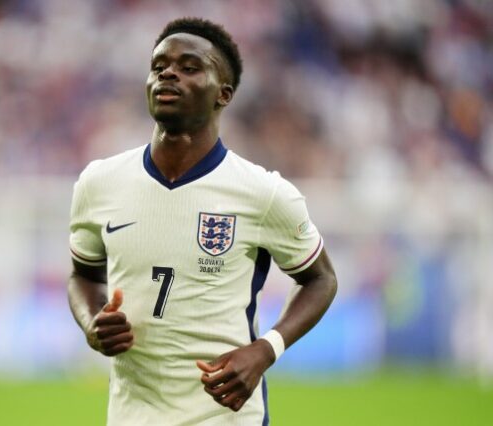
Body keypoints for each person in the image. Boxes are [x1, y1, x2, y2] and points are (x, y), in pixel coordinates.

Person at [68, 17, 337, 426]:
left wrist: (265, 350)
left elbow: (321, 279)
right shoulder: (99, 183)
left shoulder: (263, 193)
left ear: (223, 94)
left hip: (226, 417)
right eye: (159, 66)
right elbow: (83, 275)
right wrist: (92, 323)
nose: (168, 74)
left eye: (189, 67)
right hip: (130, 415)